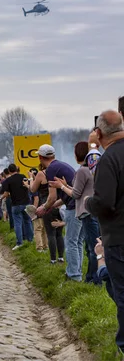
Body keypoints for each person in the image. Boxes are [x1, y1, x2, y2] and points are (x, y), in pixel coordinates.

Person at [84, 110, 124, 354]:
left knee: (122, 295)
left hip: (119, 237)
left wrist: (88, 202)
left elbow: (104, 202)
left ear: (98, 133)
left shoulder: (109, 160)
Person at [49, 142, 100, 284]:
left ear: (77, 154)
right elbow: (84, 190)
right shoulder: (92, 169)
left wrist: (61, 187)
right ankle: (87, 276)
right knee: (84, 245)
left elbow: (76, 194)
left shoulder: (82, 171)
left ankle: (88, 278)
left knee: (86, 246)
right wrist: (65, 185)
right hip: (91, 210)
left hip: (85, 211)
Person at [36, 144, 81, 281]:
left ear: (40, 157)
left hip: (73, 208)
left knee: (71, 242)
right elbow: (63, 196)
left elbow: (52, 196)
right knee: (78, 242)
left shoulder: (51, 170)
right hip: (79, 205)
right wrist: (52, 206)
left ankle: (73, 276)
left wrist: (43, 207)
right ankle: (77, 272)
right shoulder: (62, 165)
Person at [0, 164, 33, 250]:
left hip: (16, 204)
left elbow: (6, 193)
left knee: (18, 224)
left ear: (8, 171)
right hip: (26, 202)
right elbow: (28, 187)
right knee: (28, 221)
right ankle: (30, 240)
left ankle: (19, 243)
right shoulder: (23, 176)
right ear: (17, 169)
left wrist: (0, 199)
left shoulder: (8, 180)